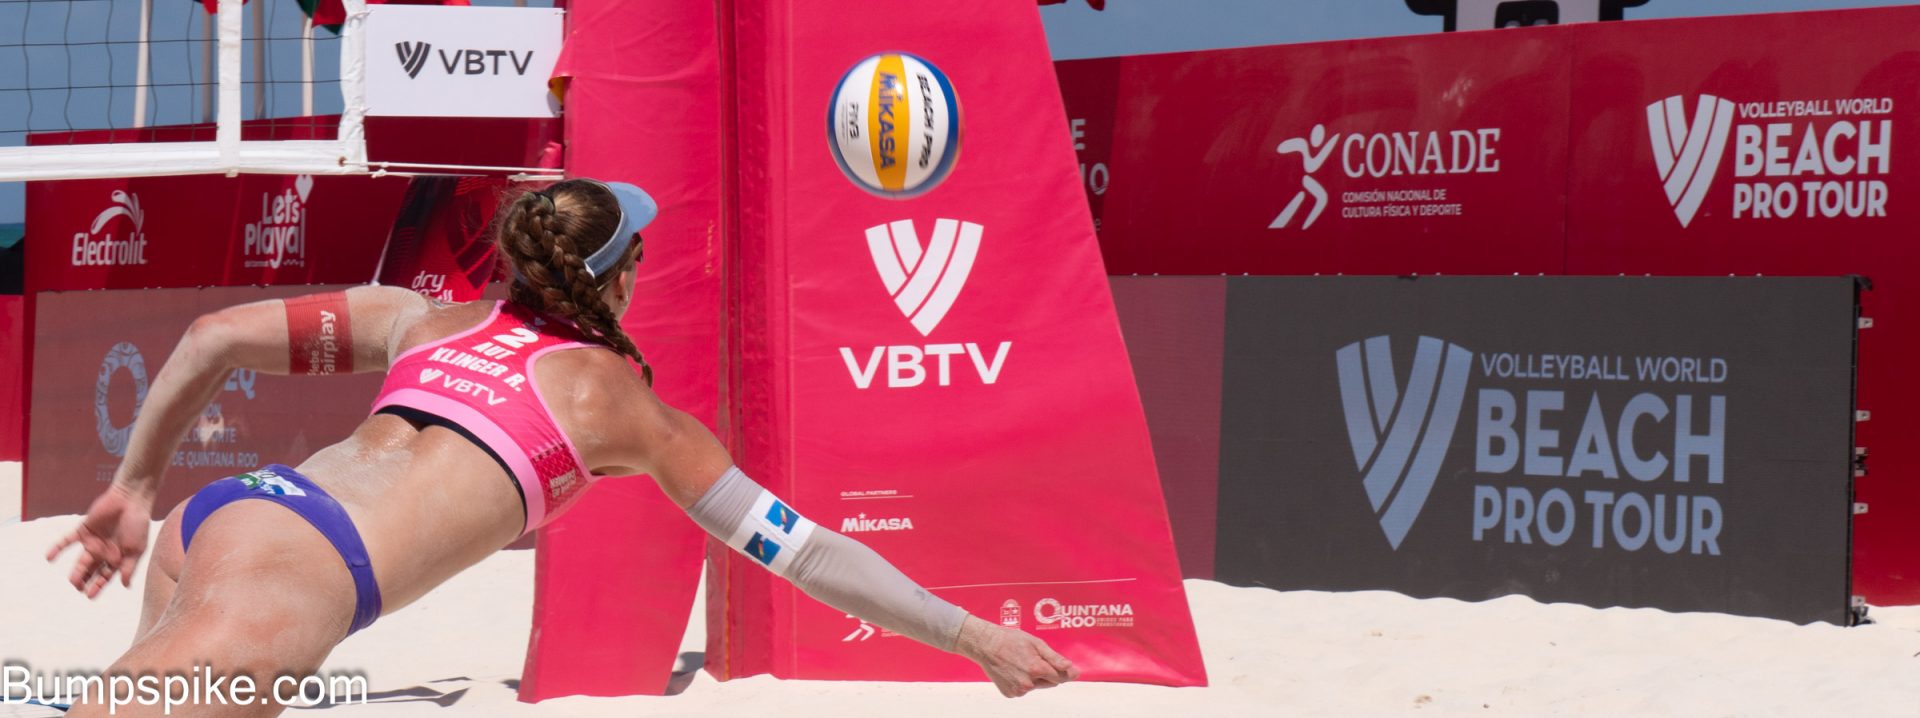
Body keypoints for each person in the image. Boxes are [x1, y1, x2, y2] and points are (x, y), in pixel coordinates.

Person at [47, 178, 1077, 717]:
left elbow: (212, 337)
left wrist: (135, 488)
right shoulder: (613, 403)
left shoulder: (418, 317)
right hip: (300, 571)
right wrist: (970, 637)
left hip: (223, 516)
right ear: (618, 277)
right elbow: (802, 552)